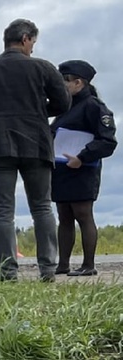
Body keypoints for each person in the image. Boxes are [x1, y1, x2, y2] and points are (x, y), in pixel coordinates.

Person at [0, 19, 71, 281]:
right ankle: (47, 270)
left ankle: (8, 272)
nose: (32, 47)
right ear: (25, 39)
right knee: (42, 207)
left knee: (2, 212)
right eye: (32, 42)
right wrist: (36, 110)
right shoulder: (43, 68)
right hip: (36, 144)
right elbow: (63, 104)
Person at [51, 60, 117, 276]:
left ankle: (88, 265)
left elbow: (107, 141)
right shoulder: (64, 108)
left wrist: (82, 157)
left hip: (82, 168)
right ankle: (63, 265)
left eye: (64, 82)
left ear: (78, 82)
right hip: (61, 169)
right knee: (64, 215)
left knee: (83, 214)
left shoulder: (94, 107)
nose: (62, 88)